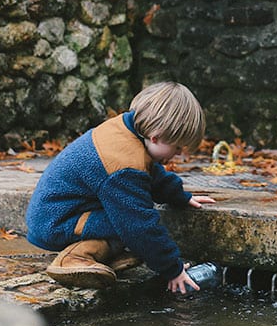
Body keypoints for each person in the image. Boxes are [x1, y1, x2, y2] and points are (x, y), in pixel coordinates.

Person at [25, 81, 215, 293]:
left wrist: (180, 196)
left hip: (61, 212)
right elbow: (139, 225)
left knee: (128, 221)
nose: (179, 154)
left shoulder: (128, 129)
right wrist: (173, 269)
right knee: (129, 224)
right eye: (177, 147)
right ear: (155, 136)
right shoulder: (123, 167)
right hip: (57, 221)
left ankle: (107, 257)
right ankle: (74, 259)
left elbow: (150, 172)